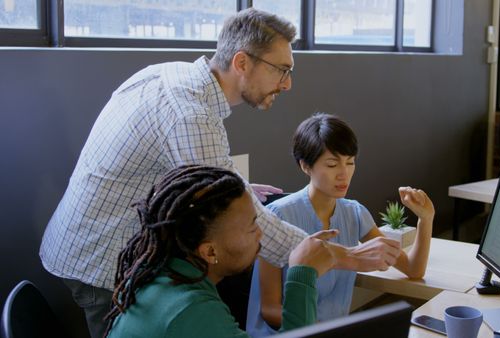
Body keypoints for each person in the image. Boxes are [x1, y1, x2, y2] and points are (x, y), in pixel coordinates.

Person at [39, 8, 401, 338]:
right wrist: (344, 256)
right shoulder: (192, 114)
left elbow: (188, 173)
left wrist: (239, 185)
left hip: (85, 242)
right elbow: (263, 228)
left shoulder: (174, 75)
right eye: (281, 70)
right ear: (242, 62)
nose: (288, 83)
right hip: (102, 261)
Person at [246, 113, 435, 336]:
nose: (344, 174)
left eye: (350, 162)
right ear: (305, 166)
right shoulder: (277, 216)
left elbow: (413, 269)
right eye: (332, 164)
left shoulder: (354, 213)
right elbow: (269, 309)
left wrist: (426, 219)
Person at [104, 165, 338, 338]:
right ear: (209, 251)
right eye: (252, 227)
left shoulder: (159, 273)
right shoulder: (189, 310)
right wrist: (302, 274)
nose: (261, 234)